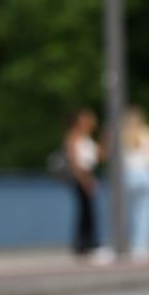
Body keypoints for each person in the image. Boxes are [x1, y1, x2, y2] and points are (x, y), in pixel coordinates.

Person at [122, 106, 149, 262]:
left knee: (126, 212)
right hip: (148, 174)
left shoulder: (123, 133)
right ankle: (142, 248)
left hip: (128, 175)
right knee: (146, 213)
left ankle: (124, 244)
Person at [64, 108, 101, 257]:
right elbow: (74, 160)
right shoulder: (73, 137)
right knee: (84, 210)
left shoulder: (88, 138)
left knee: (90, 211)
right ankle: (82, 243)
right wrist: (84, 179)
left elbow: (99, 156)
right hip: (80, 177)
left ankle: (89, 242)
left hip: (89, 176)